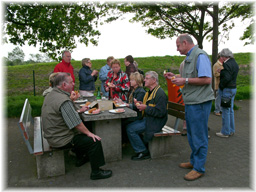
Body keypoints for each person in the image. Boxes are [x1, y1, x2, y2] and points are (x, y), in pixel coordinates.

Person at [41, 72, 112, 180]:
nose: (73, 84)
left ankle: (81, 158)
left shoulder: (52, 94)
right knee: (94, 140)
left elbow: (65, 115)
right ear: (64, 85)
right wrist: (89, 133)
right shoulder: (63, 100)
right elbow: (76, 123)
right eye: (71, 82)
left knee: (85, 129)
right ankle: (96, 172)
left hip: (52, 134)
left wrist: (78, 112)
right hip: (60, 139)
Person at [164, 34, 214, 181]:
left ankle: (199, 168)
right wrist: (176, 77)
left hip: (199, 102)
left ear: (185, 43)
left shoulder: (200, 55)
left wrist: (184, 80)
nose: (177, 49)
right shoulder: (190, 57)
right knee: (192, 134)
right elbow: (192, 77)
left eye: (178, 46)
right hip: (192, 102)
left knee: (199, 135)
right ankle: (194, 161)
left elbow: (207, 79)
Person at [126, 71, 168, 160]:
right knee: (129, 126)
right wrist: (141, 104)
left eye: (147, 78)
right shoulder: (151, 91)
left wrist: (145, 108)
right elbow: (150, 106)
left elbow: (161, 113)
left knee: (131, 129)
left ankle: (143, 151)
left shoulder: (160, 94)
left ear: (154, 80)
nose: (144, 80)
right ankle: (142, 146)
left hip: (156, 122)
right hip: (150, 119)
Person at [216, 48, 239, 138]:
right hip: (233, 88)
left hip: (227, 89)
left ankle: (225, 132)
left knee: (225, 110)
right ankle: (231, 130)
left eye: (221, 56)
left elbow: (227, 78)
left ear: (224, 56)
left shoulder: (226, 64)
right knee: (230, 110)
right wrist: (222, 71)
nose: (221, 58)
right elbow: (231, 74)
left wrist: (221, 86)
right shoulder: (234, 63)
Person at [121, 72, 146, 144]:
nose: (130, 81)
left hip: (138, 115)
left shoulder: (140, 92)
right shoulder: (135, 90)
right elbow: (131, 102)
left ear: (137, 81)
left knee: (122, 123)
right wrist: (122, 102)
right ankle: (125, 141)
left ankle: (125, 142)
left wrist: (127, 105)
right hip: (134, 114)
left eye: (132, 80)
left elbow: (137, 106)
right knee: (122, 121)